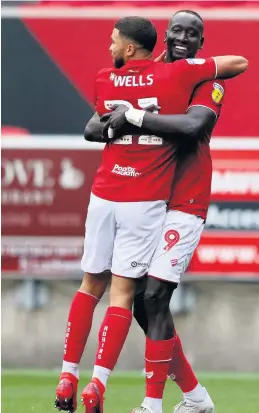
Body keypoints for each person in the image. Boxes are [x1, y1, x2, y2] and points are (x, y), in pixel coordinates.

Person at [54, 14, 248, 413]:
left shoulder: (204, 82)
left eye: (191, 34)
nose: (182, 38)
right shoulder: (154, 74)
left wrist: (136, 116)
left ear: (200, 42)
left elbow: (195, 125)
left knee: (155, 295)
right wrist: (119, 118)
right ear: (166, 35)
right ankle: (195, 397)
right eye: (176, 30)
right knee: (142, 302)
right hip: (147, 198)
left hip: (183, 203)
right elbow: (95, 124)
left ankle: (151, 403)